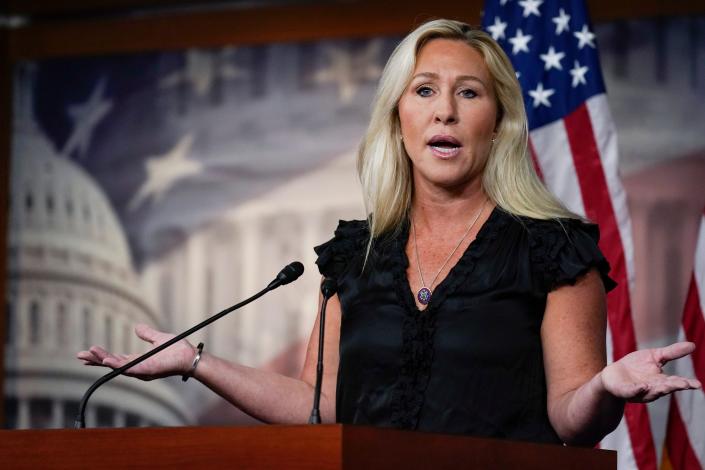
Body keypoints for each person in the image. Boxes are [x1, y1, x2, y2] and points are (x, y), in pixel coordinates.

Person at [77, 19, 700, 445]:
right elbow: (320, 407)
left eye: (469, 93)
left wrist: (606, 388)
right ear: (399, 118)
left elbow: (569, 420)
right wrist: (195, 362)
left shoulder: (552, 248)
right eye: (424, 90)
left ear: (498, 122)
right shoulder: (357, 255)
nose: (444, 111)